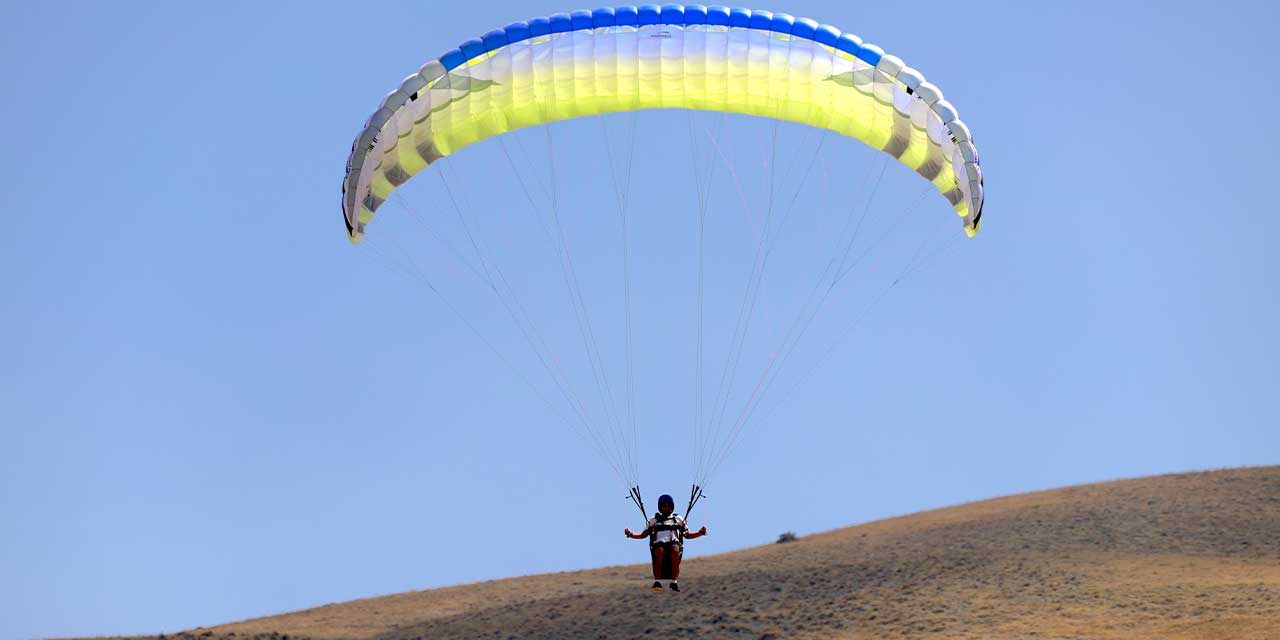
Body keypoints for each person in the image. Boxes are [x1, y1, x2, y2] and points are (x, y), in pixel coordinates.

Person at [624, 493, 707, 592]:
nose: (666, 508)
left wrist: (700, 533)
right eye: (664, 506)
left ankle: (674, 582)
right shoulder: (653, 520)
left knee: (675, 550)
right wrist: (631, 535)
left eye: (668, 505)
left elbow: (687, 535)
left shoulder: (678, 519)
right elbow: (643, 535)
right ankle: (657, 582)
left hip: (673, 543)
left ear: (672, 506)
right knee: (659, 551)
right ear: (660, 507)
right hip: (659, 544)